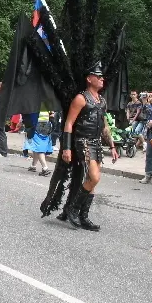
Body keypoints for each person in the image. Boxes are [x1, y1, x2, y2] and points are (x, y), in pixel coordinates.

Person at [57, 63, 119, 230]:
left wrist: (112, 146)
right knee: (94, 177)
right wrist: (67, 148)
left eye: (102, 77)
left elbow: (104, 125)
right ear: (89, 78)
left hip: (97, 142)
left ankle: (84, 217)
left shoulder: (102, 101)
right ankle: (72, 209)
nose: (102, 79)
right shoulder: (80, 98)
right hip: (83, 141)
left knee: (92, 180)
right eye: (98, 76)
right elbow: (69, 123)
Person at [26, 111, 53, 176]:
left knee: (38, 147)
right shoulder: (48, 101)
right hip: (47, 124)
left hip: (36, 123)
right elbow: (52, 113)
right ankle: (33, 165)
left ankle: (45, 168)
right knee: (36, 146)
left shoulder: (34, 101)